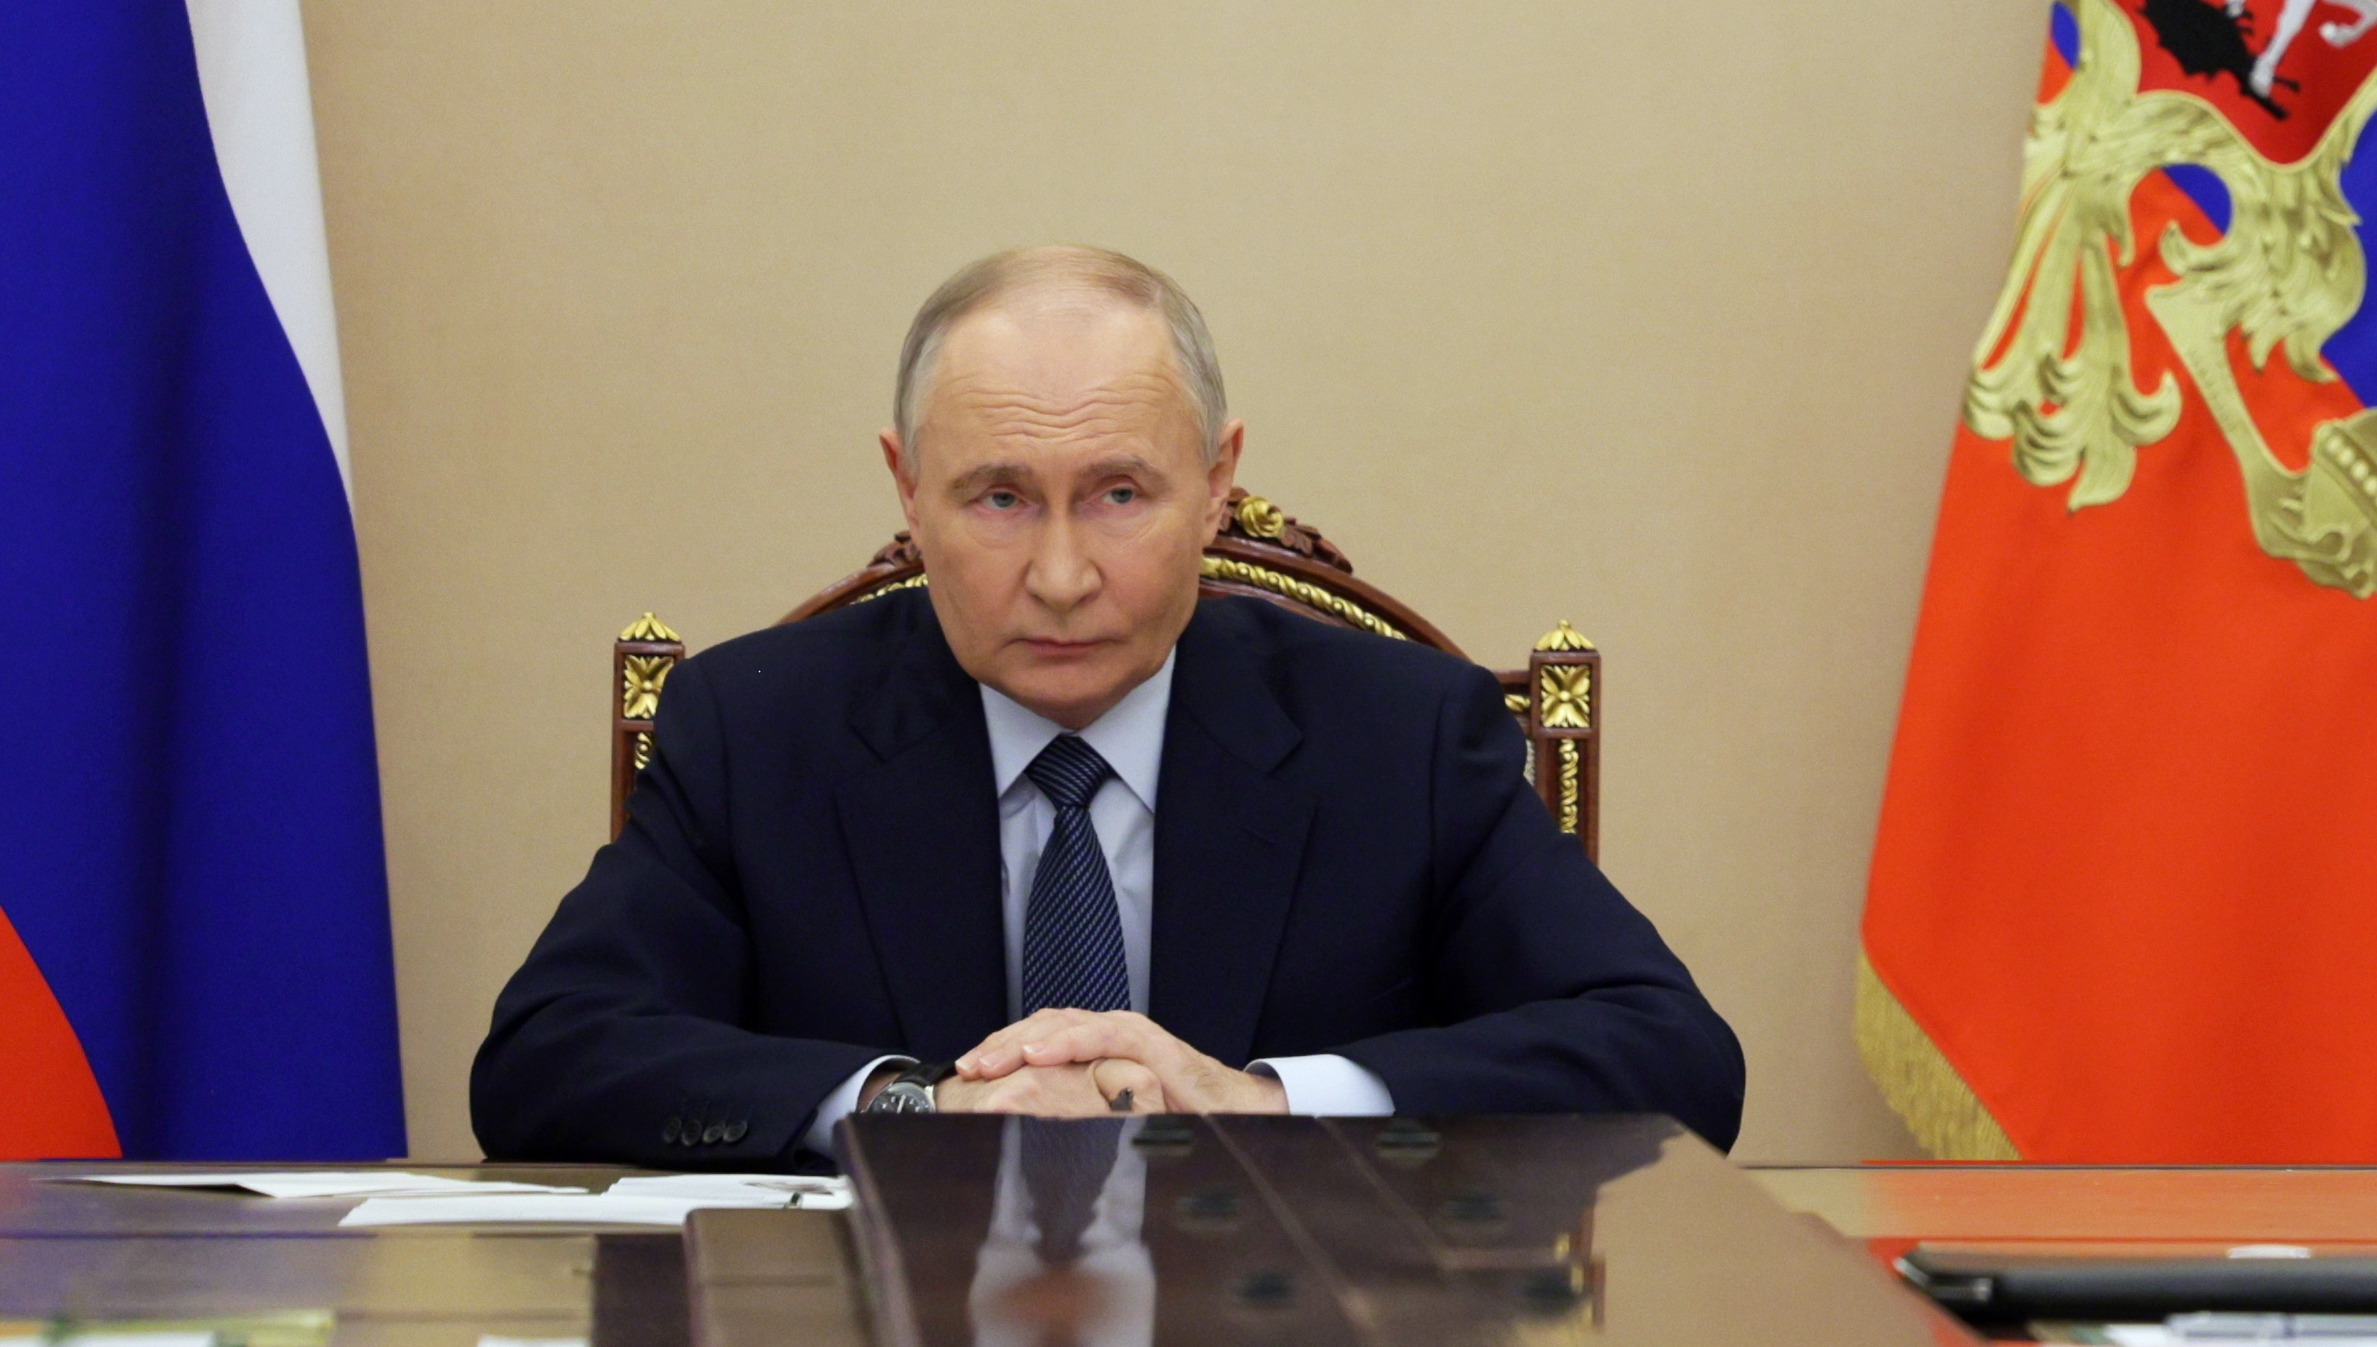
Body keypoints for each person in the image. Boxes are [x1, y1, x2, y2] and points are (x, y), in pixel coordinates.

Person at [469, 246, 1742, 1164]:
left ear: (1218, 479)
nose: (1065, 576)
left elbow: (1671, 1057)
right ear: (907, 490)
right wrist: (915, 1109)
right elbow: (548, 1062)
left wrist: (1266, 1105)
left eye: (1121, 494)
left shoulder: (1398, 734)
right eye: (1000, 498)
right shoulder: (758, 730)